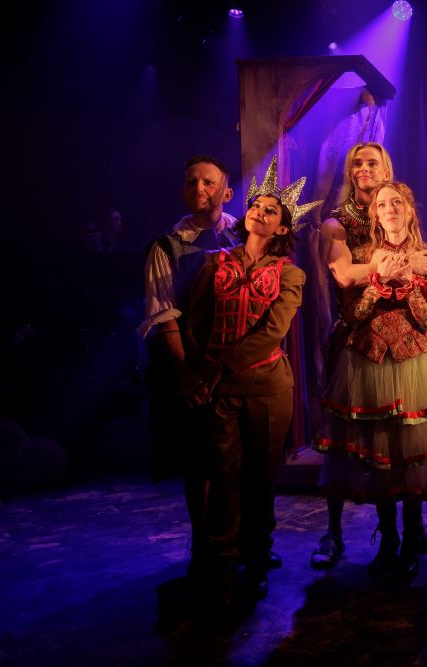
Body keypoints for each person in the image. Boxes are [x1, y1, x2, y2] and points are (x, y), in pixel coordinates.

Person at [315, 181, 427, 577]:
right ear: (375, 215)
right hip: (369, 362)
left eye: (397, 202)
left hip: (414, 366)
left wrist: (408, 289)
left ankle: (413, 535)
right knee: (380, 455)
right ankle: (388, 539)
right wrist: (378, 283)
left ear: (409, 210)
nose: (390, 209)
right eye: (382, 204)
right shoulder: (362, 258)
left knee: (411, 456)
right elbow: (351, 316)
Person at [183, 157, 313, 604]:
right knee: (223, 475)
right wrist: (200, 368)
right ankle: (223, 558)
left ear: (281, 227)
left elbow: (273, 332)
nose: (259, 211)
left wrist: (220, 366)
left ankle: (257, 557)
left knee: (260, 476)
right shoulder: (214, 263)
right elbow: (195, 322)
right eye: (255, 205)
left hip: (266, 387)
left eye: (270, 210)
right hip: (221, 389)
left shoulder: (290, 273)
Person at [138, 155, 240, 581]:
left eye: (209, 182)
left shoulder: (242, 235)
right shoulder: (166, 247)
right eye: (192, 182)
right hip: (193, 368)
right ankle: (204, 546)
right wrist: (189, 375)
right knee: (200, 462)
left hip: (236, 367)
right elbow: (164, 314)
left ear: (226, 192)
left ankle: (239, 543)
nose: (200, 188)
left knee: (238, 459)